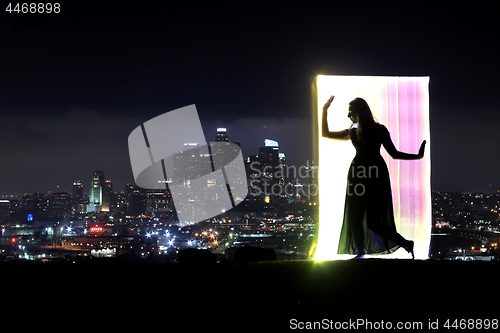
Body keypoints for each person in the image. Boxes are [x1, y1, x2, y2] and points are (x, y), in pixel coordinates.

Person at [322, 96, 426, 259]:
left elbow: (394, 153)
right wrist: (324, 110)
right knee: (356, 216)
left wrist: (417, 156)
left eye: (351, 112)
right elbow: (325, 134)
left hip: (372, 177)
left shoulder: (378, 130)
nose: (348, 115)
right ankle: (362, 253)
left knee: (373, 222)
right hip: (361, 176)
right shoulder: (354, 132)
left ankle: (404, 243)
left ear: (359, 113)